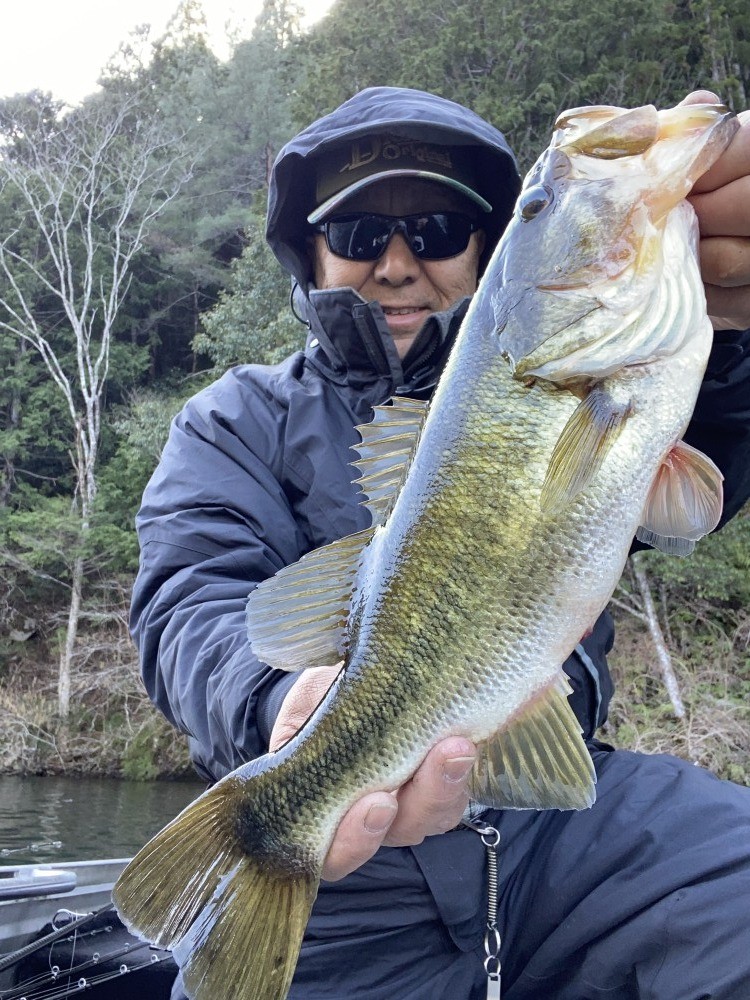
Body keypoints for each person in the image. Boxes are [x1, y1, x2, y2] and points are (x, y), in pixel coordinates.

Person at [131, 86, 750, 999]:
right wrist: (280, 701)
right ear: (310, 251)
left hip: (561, 835)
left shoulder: (605, 363)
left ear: (488, 249)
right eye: (357, 234)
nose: (395, 264)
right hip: (347, 881)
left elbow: (709, 460)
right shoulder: (235, 420)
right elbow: (188, 600)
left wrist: (729, 341)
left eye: (435, 229)